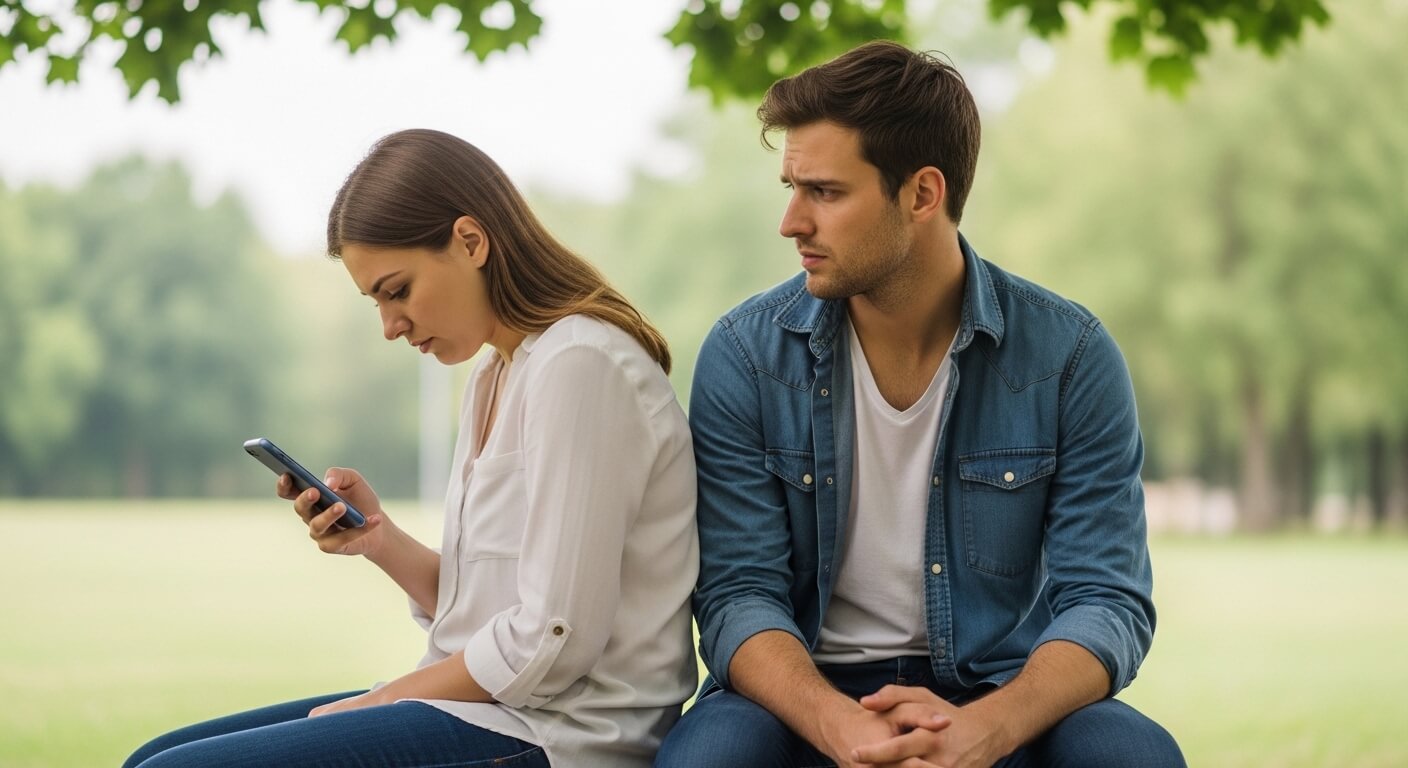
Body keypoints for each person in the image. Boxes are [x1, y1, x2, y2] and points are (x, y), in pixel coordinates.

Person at [655, 41, 1184, 768]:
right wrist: (841, 726)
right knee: (708, 758)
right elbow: (738, 594)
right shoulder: (746, 356)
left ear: (923, 194)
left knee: (1131, 756)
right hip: (804, 695)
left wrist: (985, 730)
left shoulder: (1069, 357)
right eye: (791, 187)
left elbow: (1108, 600)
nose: (791, 222)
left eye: (825, 193)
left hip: (1000, 688)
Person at [124, 129, 699, 768]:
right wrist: (377, 538)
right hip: (493, 712)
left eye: (397, 291)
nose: (390, 326)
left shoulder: (581, 364)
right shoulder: (495, 375)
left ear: (471, 242)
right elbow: (487, 611)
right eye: (376, 301)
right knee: (158, 754)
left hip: (562, 737)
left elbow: (552, 638)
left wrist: (386, 699)